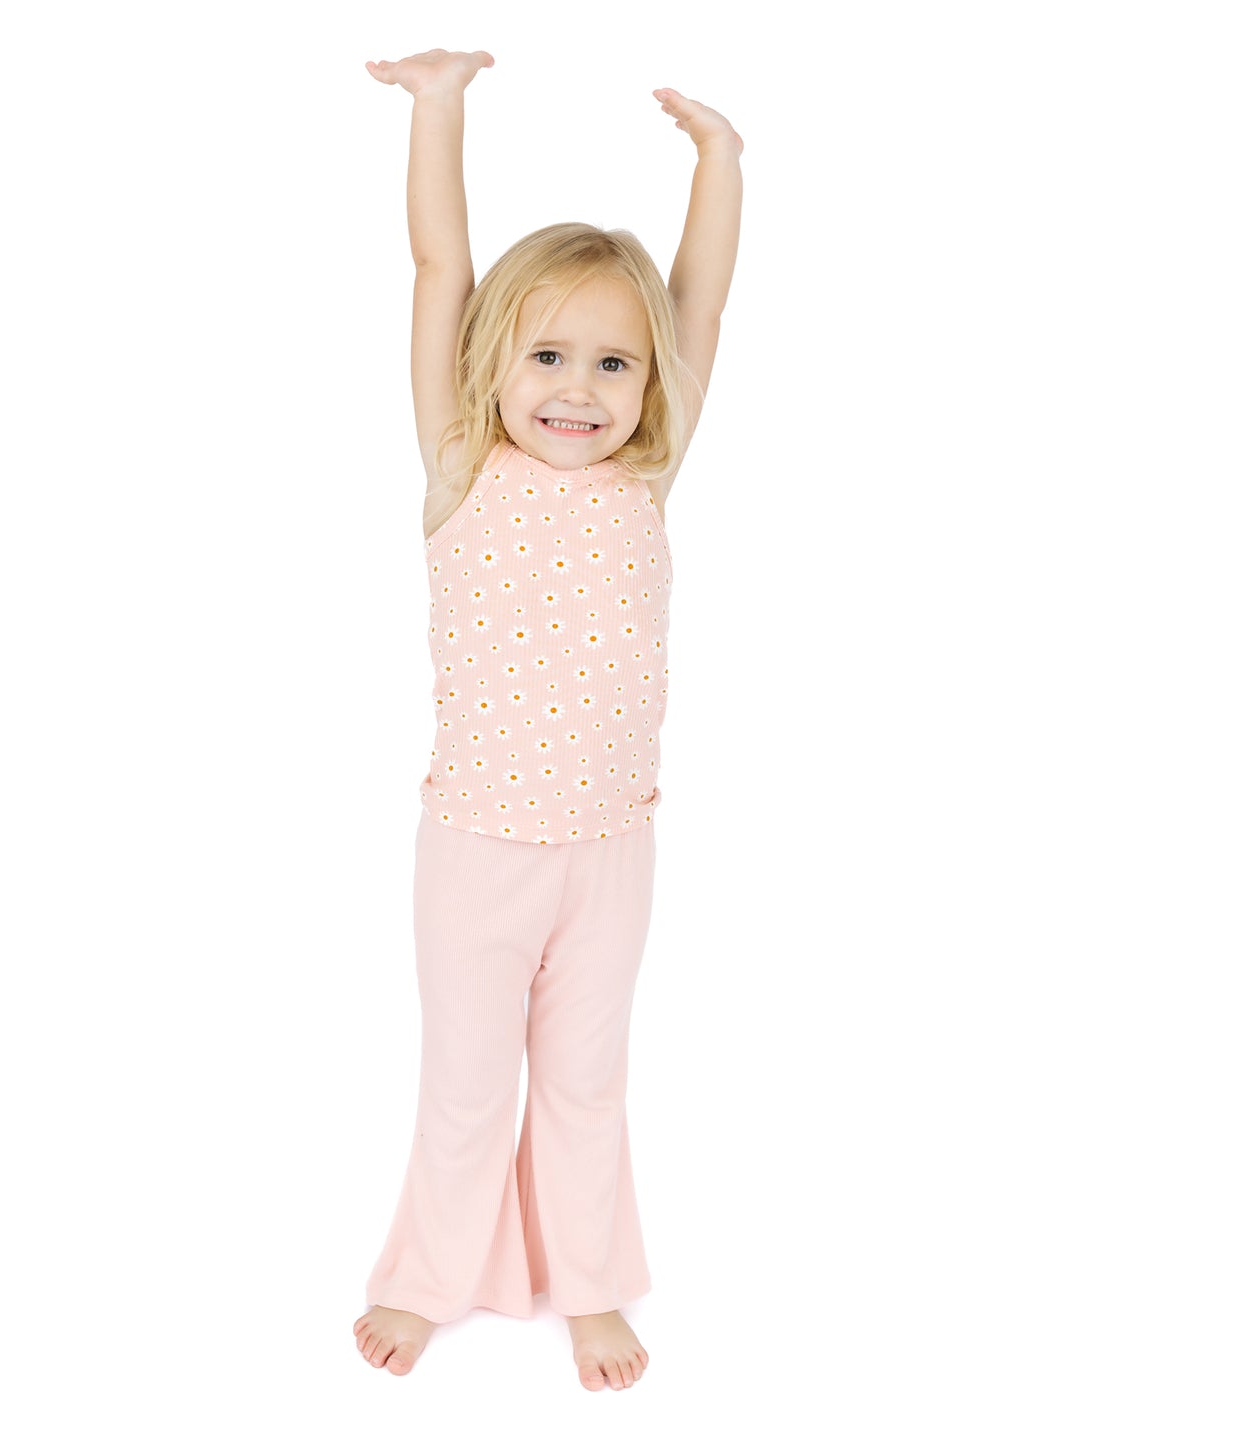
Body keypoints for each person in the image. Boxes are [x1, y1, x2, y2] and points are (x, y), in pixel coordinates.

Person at [353, 47, 742, 1392]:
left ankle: (588, 1284)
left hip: (608, 849)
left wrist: (720, 167)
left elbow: (693, 305)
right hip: (476, 849)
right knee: (467, 1085)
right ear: (492, 366)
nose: (580, 388)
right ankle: (422, 1275)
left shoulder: (646, 475)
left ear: (650, 386)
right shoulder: (463, 466)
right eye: (549, 356)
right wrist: (441, 108)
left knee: (584, 1083)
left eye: (613, 363)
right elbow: (437, 276)